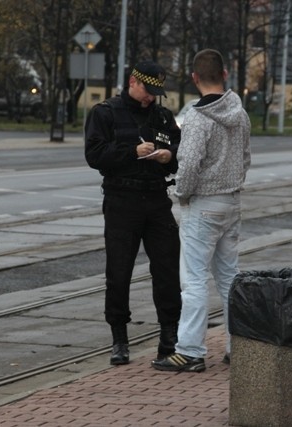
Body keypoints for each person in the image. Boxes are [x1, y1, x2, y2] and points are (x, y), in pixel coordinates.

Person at [152, 49, 251, 373]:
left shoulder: (197, 117)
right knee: (228, 278)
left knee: (193, 280)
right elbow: (246, 158)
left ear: (194, 78)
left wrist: (180, 193)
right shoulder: (241, 113)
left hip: (203, 206)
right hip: (232, 203)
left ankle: (190, 351)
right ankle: (239, 345)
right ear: (225, 75)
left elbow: (190, 163)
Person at [84, 61, 182, 366]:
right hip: (121, 200)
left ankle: (169, 337)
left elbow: (180, 150)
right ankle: (119, 339)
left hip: (156, 199)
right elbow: (94, 154)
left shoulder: (163, 116)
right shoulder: (106, 113)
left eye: (155, 93)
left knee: (167, 270)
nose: (150, 97)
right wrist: (131, 152)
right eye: (147, 91)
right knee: (119, 272)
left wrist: (169, 156)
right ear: (132, 82)